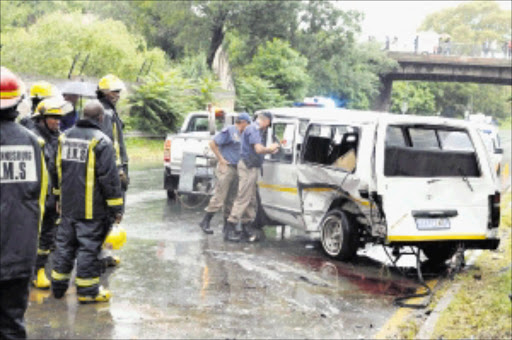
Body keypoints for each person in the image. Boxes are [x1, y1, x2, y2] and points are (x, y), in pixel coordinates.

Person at [51, 100, 123, 304]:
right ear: (100, 118)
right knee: (88, 248)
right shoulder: (101, 141)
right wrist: (116, 207)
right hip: (92, 210)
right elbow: (109, 179)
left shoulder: (63, 137)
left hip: (67, 208)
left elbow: (56, 169)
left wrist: (57, 197)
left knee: (65, 246)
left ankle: (58, 287)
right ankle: (88, 291)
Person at [0, 67, 48, 339]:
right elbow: (41, 198)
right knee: (11, 325)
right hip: (19, 253)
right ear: (18, 101)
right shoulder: (32, 143)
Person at [29, 98, 73, 289]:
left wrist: (58, 196)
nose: (57, 121)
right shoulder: (31, 138)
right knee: (29, 234)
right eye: (52, 118)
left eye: (58, 118)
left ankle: (39, 270)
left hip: (52, 198)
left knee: (47, 235)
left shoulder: (60, 138)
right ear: (41, 119)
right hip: (32, 197)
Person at [224, 112, 279, 242]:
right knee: (243, 197)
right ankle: (230, 227)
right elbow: (259, 149)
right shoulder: (253, 129)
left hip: (252, 166)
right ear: (265, 121)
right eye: (269, 124)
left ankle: (246, 226)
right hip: (248, 167)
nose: (268, 127)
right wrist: (270, 149)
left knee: (251, 198)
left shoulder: (255, 130)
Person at [199, 112, 251, 235]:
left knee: (231, 199)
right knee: (220, 196)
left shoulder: (245, 134)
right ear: (243, 122)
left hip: (238, 168)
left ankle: (227, 228)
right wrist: (221, 159)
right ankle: (205, 221)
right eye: (248, 124)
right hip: (227, 167)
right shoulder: (229, 131)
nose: (249, 126)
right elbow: (213, 143)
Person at [96, 74, 128, 267]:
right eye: (113, 91)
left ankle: (104, 253)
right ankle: (102, 254)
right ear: (103, 92)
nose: (116, 94)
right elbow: (110, 144)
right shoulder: (106, 113)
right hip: (114, 170)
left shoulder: (108, 110)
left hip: (114, 168)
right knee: (111, 213)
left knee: (111, 214)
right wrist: (119, 170)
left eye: (118, 91)